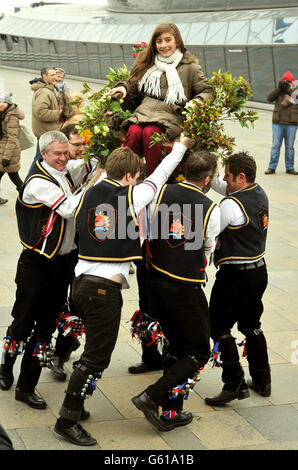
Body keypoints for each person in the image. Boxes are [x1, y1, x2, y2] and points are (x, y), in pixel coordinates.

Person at [54, 133, 194, 446]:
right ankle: (66, 419)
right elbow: (160, 176)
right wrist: (181, 146)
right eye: (135, 178)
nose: (136, 183)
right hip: (102, 290)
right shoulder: (129, 195)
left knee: (91, 355)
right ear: (129, 176)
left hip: (80, 283)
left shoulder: (90, 190)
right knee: (96, 359)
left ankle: (74, 403)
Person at [0, 131, 96, 411]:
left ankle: (25, 387)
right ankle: (6, 370)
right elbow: (68, 208)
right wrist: (93, 187)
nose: (64, 158)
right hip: (36, 264)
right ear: (43, 154)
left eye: (67, 152)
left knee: (46, 326)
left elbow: (90, 164)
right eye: (58, 154)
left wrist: (100, 151)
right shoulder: (36, 183)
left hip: (62, 263)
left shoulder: (64, 170)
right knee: (22, 322)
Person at [131, 150, 220, 432]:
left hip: (155, 280)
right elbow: (207, 249)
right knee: (198, 352)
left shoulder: (160, 193)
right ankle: (152, 396)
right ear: (207, 179)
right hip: (185, 286)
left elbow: (144, 229)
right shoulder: (210, 208)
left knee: (175, 346)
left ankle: (171, 412)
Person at [205, 151, 271, 407]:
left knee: (218, 327)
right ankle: (263, 380)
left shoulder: (230, 206)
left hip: (235, 277)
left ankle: (234, 383)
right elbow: (221, 185)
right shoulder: (258, 191)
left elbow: (209, 233)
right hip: (259, 271)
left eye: (229, 176)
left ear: (241, 177)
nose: (224, 180)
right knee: (251, 324)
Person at [109, 22, 214, 176]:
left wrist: (197, 101)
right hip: (144, 113)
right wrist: (123, 87)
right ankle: (123, 178)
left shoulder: (190, 67)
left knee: (151, 133)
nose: (164, 45)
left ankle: (154, 181)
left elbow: (207, 91)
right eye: (159, 41)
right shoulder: (149, 64)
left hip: (170, 117)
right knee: (134, 132)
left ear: (177, 41)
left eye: (168, 40)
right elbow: (132, 83)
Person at [265, 71, 298, 175]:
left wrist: (289, 89)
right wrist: (279, 88)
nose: (286, 83)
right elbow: (269, 98)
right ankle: (271, 167)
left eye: (289, 82)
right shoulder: (278, 90)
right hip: (278, 122)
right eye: (285, 82)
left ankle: (290, 167)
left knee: (290, 146)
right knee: (275, 145)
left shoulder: (296, 90)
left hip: (291, 123)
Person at [29, 67, 62, 165]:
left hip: (45, 131)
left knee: (41, 159)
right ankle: (30, 179)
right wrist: (59, 113)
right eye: (52, 75)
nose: (55, 77)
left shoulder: (48, 90)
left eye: (55, 74)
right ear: (44, 77)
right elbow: (41, 112)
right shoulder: (45, 92)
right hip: (46, 132)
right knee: (40, 159)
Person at [0, 91, 25, 204]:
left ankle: (27, 197)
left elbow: (12, 138)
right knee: (15, 177)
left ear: (8, 103)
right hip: (3, 149)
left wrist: (6, 157)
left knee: (15, 177)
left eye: (4, 102)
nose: (1, 104)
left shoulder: (12, 117)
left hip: (9, 151)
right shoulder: (3, 113)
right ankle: (27, 196)